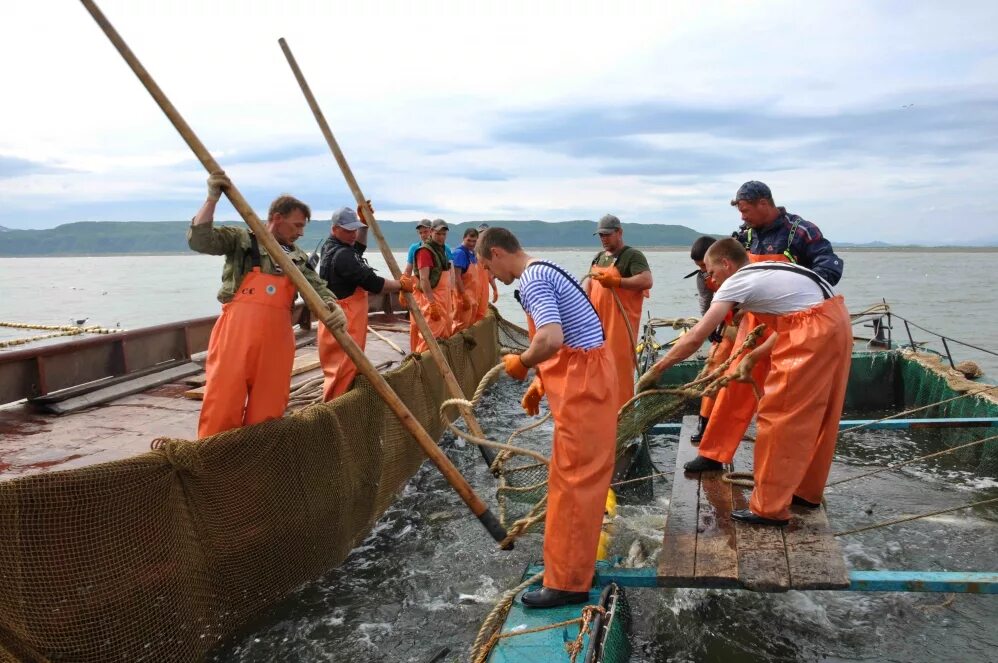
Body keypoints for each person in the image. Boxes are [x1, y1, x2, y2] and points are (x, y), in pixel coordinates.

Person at [637, 238, 851, 525]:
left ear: (726, 264)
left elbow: (698, 335)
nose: (710, 280)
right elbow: (797, 317)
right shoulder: (769, 270)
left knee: (780, 417)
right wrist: (755, 356)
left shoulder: (736, 282)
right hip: (836, 322)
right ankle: (805, 492)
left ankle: (769, 509)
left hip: (813, 335)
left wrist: (658, 369)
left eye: (711, 273)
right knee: (820, 414)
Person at [477, 227, 617, 608]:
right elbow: (574, 337)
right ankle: (574, 568)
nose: (491, 277)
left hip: (585, 390)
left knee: (573, 484)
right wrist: (542, 379)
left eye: (488, 268)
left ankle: (568, 584)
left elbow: (551, 339)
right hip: (593, 382)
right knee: (579, 478)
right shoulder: (548, 268)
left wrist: (522, 362)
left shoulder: (534, 279)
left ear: (496, 253)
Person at [687, 181, 845, 472]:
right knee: (734, 386)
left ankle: (791, 472)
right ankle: (713, 453)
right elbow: (727, 272)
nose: (742, 218)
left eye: (746, 210)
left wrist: (794, 287)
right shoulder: (743, 236)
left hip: (794, 330)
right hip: (752, 328)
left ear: (764, 203)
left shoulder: (802, 231)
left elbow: (831, 269)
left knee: (787, 404)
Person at [187, 171, 338, 438]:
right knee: (224, 399)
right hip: (237, 335)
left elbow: (318, 288)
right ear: (277, 219)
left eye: (303, 227)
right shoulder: (243, 240)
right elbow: (200, 240)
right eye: (296, 225)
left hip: (277, 340)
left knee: (269, 409)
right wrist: (212, 199)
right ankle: (212, 464)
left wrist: (332, 306)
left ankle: (258, 463)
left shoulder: (299, 259)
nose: (301, 233)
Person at [316, 207, 414, 401]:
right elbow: (374, 283)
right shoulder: (342, 256)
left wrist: (365, 224)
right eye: (349, 230)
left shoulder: (333, 245)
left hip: (341, 316)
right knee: (343, 365)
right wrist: (401, 284)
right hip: (344, 319)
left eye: (356, 229)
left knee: (348, 363)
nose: (354, 234)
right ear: (334, 229)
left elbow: (358, 249)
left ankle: (341, 398)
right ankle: (337, 406)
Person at [585, 214, 652, 410]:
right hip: (597, 328)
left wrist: (617, 282)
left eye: (607, 234)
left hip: (621, 329)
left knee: (619, 375)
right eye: (600, 235)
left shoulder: (632, 256)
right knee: (596, 372)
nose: (604, 239)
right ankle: (600, 414)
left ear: (619, 232)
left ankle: (624, 419)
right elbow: (588, 286)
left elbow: (647, 280)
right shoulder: (598, 257)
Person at [682, 236, 733, 443]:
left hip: (744, 324)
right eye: (699, 268)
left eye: (706, 267)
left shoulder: (736, 273)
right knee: (713, 370)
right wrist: (709, 326)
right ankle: (705, 423)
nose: (705, 273)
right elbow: (706, 302)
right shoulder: (702, 278)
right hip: (723, 324)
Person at [410, 219, 454, 353]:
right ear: (432, 232)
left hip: (444, 299)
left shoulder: (441, 250)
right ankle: (422, 369)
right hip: (433, 300)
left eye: (443, 234)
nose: (441, 237)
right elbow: (424, 280)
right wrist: (432, 304)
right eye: (438, 234)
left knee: (445, 332)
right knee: (430, 338)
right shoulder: (425, 251)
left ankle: (441, 369)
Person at [450, 228, 481, 333]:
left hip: (473, 297)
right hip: (463, 297)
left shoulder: (472, 253)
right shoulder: (459, 253)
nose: (471, 243)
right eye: (469, 240)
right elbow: (456, 277)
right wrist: (463, 296)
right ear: (463, 238)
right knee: (459, 325)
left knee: (469, 325)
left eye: (474, 241)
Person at [475, 223, 500, 320]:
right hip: (473, 289)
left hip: (483, 289)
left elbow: (489, 276)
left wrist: (495, 289)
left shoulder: (488, 252)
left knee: (480, 314)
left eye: (484, 233)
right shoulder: (472, 251)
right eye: (481, 233)